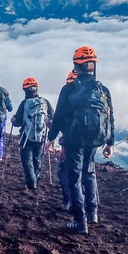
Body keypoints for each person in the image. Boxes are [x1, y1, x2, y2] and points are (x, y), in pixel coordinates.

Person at [47, 47, 115, 235]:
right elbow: (109, 116)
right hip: (95, 139)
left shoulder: (69, 89)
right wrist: (110, 142)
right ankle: (93, 213)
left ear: (76, 66)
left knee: (74, 178)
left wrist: (51, 139)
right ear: (93, 66)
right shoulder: (103, 90)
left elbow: (59, 116)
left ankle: (80, 222)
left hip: (73, 140)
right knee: (89, 173)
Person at [11, 77, 54, 192]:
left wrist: (13, 121)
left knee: (27, 160)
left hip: (26, 137)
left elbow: (18, 122)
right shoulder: (45, 102)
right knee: (37, 158)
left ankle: (31, 183)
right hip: (41, 136)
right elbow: (52, 118)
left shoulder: (24, 103)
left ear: (25, 90)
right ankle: (36, 178)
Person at [57, 70, 78, 211]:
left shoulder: (66, 95)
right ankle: (91, 206)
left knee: (65, 172)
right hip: (89, 141)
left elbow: (59, 117)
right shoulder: (89, 94)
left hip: (69, 141)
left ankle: (70, 200)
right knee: (86, 172)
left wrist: (51, 136)